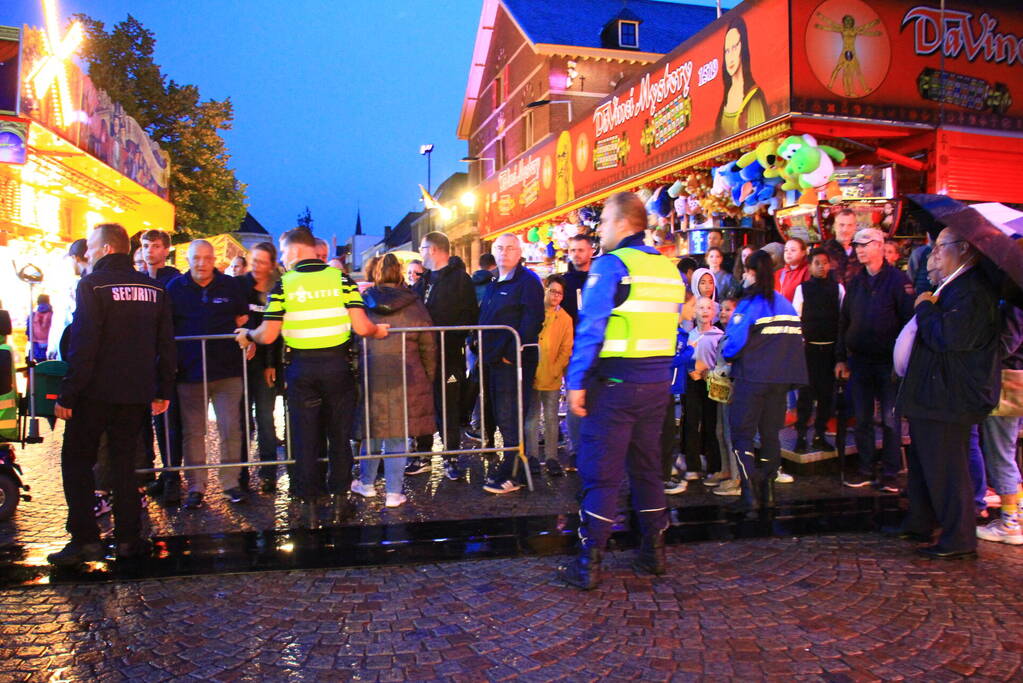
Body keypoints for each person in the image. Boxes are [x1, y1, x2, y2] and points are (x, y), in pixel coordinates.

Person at [558, 191, 686, 590]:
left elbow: (590, 330)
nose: (600, 233)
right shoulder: (668, 269)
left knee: (602, 474)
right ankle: (654, 552)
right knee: (648, 470)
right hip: (655, 387)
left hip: (614, 386)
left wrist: (576, 383)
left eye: (603, 225)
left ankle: (589, 563)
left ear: (620, 223)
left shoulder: (612, 267)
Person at [236, 228, 388, 525]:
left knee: (305, 439)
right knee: (339, 438)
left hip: (302, 370)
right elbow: (361, 326)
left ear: (293, 252)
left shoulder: (284, 285)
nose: (281, 258)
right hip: (337, 368)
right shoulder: (340, 279)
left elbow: (268, 335)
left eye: (283, 252)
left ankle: (309, 508)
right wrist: (378, 331)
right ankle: (341, 502)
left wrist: (247, 335)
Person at [46, 223, 175, 566]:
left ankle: (85, 539)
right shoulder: (154, 288)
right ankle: (129, 540)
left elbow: (84, 343)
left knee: (76, 461)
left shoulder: (92, 284)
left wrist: (68, 395)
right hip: (135, 393)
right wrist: (162, 390)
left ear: (105, 249)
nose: (86, 253)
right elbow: (165, 344)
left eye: (89, 247)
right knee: (124, 466)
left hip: (95, 393)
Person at [897, 228, 1000, 560]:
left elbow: (947, 337)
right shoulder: (953, 286)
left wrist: (925, 307)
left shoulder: (972, 291)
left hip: (949, 396)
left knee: (947, 467)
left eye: (940, 248)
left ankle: (958, 538)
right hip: (932, 392)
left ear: (964, 249)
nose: (934, 254)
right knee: (926, 462)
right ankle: (921, 522)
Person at [720, 250, 808, 516]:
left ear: (753, 272)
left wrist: (725, 354)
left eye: (746, 271)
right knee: (770, 435)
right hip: (781, 381)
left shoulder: (749, 305)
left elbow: (733, 344)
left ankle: (749, 492)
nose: (744, 276)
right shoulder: (786, 304)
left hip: (752, 379)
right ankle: (768, 492)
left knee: (741, 434)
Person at [166, 240, 250, 509]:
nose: (201, 263)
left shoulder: (230, 285)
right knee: (193, 432)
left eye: (206, 258)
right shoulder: (175, 288)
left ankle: (230, 483)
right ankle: (196, 487)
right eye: (196, 258)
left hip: (227, 370)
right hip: (189, 371)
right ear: (187, 260)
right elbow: (167, 326)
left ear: (214, 259)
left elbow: (243, 318)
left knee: (231, 429)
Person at [351, 254, 436, 508]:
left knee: (372, 430)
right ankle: (393, 492)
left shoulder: (364, 301)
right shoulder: (414, 303)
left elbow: (355, 341)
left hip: (372, 372)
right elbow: (428, 345)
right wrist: (427, 376)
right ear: (399, 273)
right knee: (398, 435)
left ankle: (366, 483)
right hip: (406, 375)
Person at [836, 227, 914, 491]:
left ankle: (891, 471)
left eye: (864, 244)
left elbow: (908, 323)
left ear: (880, 246)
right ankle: (866, 468)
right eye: (856, 245)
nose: (858, 249)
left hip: (888, 364)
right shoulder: (856, 282)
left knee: (891, 419)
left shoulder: (897, 281)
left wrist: (903, 360)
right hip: (859, 362)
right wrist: (841, 357)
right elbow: (844, 321)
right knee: (862, 417)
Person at [478, 233, 545, 495]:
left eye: (509, 248)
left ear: (519, 252)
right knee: (502, 415)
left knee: (511, 414)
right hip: (493, 359)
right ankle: (510, 464)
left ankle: (513, 472)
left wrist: (511, 353)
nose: (504, 252)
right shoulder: (495, 280)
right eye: (499, 248)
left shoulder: (527, 281)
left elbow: (532, 320)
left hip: (513, 362)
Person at [409, 231, 479, 480]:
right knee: (423, 406)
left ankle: (451, 457)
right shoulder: (423, 281)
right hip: (422, 357)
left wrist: (454, 335)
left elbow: (471, 314)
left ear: (435, 249)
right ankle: (423, 454)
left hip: (448, 355)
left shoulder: (459, 280)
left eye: (423, 247)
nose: (421, 252)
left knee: (447, 407)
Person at [138, 229, 182, 501]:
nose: (149, 251)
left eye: (155, 246)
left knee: (168, 422)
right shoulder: (138, 280)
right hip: (141, 361)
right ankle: (150, 475)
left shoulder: (174, 282)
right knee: (146, 424)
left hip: (165, 360)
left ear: (166, 250)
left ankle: (171, 476)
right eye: (145, 246)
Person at [237, 242, 283, 493]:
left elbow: (277, 332)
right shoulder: (239, 285)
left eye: (262, 262)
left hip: (265, 363)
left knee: (265, 418)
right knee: (241, 420)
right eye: (254, 260)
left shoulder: (277, 289)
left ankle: (268, 472)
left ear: (271, 264)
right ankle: (241, 475)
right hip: (241, 362)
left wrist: (270, 364)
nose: (257, 266)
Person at [977, 304, 1023, 545]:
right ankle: (1016, 513)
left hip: (1008, 379)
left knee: (1001, 452)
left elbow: (1007, 343)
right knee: (1008, 450)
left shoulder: (1014, 301)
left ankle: (1009, 522)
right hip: (1015, 377)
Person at [792, 248, 845, 452]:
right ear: (810, 266)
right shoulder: (802, 289)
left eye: (825, 262)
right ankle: (801, 435)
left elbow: (843, 317)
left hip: (831, 350)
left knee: (826, 395)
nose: (821, 266)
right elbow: (796, 316)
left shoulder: (838, 288)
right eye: (817, 262)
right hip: (809, 350)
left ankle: (820, 434)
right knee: (806, 394)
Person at [525, 275, 574, 476]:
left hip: (552, 375)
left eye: (559, 293)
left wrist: (556, 369)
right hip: (533, 373)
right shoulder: (535, 312)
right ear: (545, 289)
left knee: (552, 418)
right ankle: (532, 456)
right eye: (552, 291)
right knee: (533, 417)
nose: (555, 296)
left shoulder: (565, 319)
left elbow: (566, 348)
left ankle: (552, 458)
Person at [684, 297, 725, 483]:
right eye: (700, 307)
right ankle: (692, 466)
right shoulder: (688, 335)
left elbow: (721, 362)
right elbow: (683, 358)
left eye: (709, 307)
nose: (705, 311)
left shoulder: (719, 335)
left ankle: (713, 466)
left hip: (711, 382)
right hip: (692, 382)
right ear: (694, 311)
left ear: (714, 311)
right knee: (692, 422)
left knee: (711, 423)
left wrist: (708, 372)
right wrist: (691, 370)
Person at [716, 16, 767, 137]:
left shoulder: (753, 95)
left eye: (735, 47)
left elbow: (759, 138)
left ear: (743, 48)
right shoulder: (725, 99)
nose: (730, 57)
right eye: (727, 51)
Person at [47, 238, 89, 360]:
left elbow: (62, 319)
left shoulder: (76, 285)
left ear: (75, 258)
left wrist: (53, 345)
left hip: (73, 347)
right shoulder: (94, 280)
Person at [821, 209, 862, 284]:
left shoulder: (861, 253)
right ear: (834, 226)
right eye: (841, 225)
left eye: (850, 225)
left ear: (855, 227)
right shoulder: (823, 253)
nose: (845, 230)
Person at [774, 238, 810, 302]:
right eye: (786, 250)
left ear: (803, 252)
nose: (788, 253)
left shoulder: (808, 271)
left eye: (793, 250)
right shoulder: (779, 273)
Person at [27, 294, 52, 362]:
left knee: (37, 368)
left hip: (36, 347)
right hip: (50, 347)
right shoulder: (53, 314)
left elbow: (29, 333)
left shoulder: (32, 314)